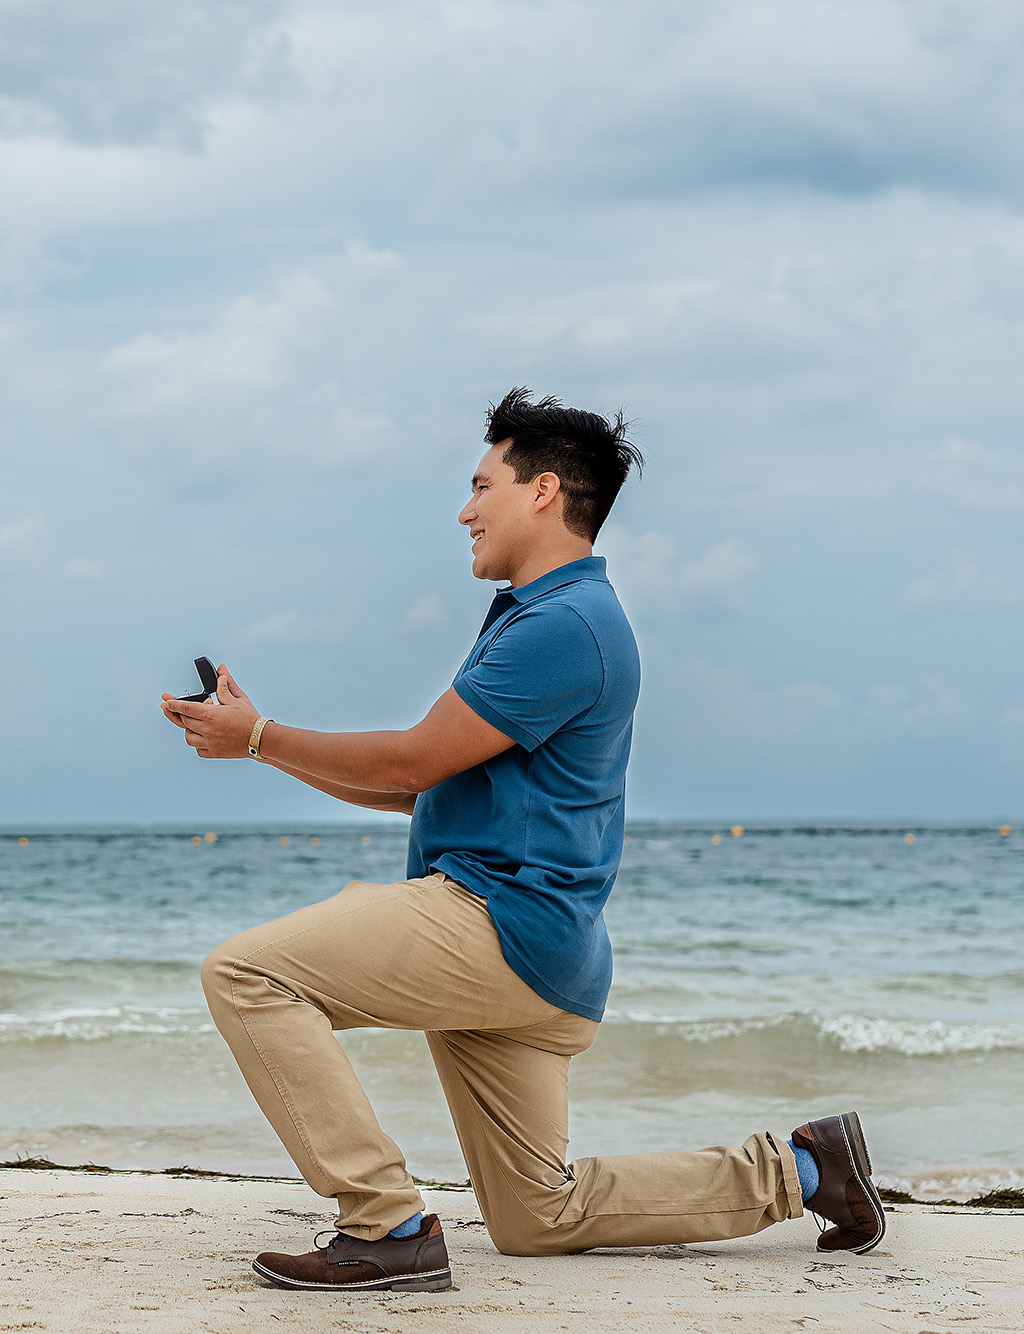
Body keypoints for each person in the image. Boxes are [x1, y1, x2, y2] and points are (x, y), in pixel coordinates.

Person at [159, 389, 882, 1293]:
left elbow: (411, 763)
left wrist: (260, 738)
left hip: (494, 925)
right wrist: (256, 742)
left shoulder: (562, 625)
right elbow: (423, 786)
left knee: (248, 973)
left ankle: (384, 1227)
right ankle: (808, 1170)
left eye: (479, 485)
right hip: (548, 959)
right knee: (538, 1216)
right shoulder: (549, 616)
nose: (465, 510)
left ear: (542, 492)